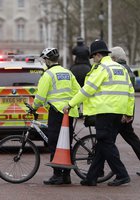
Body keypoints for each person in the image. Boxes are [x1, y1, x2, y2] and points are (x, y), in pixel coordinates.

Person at [63, 40, 134, 186]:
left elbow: (88, 89)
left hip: (105, 110)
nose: (93, 60)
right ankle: (91, 177)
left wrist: (70, 104)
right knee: (103, 144)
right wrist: (127, 113)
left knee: (105, 143)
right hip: (118, 111)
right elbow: (130, 92)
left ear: (98, 55)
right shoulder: (120, 68)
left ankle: (122, 174)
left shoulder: (102, 69)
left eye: (93, 57)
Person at [32, 48, 81, 185]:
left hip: (56, 112)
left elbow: (40, 97)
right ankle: (66, 176)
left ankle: (57, 175)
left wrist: (34, 107)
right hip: (68, 112)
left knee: (54, 143)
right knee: (66, 143)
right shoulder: (68, 72)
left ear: (47, 60)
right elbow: (78, 91)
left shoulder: (48, 75)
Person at [110, 46, 140, 175]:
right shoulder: (129, 71)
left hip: (121, 112)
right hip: (127, 110)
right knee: (131, 139)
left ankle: (99, 171)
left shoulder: (120, 70)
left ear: (114, 58)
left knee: (106, 141)